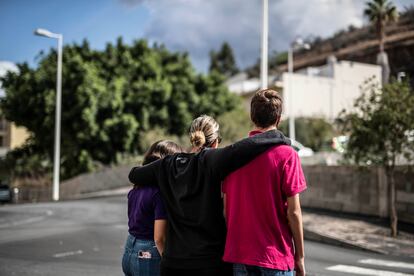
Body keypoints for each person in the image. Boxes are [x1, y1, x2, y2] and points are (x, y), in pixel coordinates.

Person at [128, 115, 291, 276]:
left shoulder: (168, 164)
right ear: (215, 142)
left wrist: (162, 172)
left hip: (173, 264)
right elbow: (243, 149)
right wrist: (277, 136)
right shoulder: (211, 159)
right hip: (209, 263)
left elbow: (134, 175)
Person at [222, 89, 307, 276]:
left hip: (239, 256)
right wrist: (299, 258)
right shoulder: (287, 155)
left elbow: (227, 210)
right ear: (278, 118)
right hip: (274, 257)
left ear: (253, 117)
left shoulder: (233, 156)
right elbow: (293, 212)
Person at [122, 140, 183, 276]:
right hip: (148, 254)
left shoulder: (136, 189)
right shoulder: (158, 194)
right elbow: (159, 238)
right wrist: (171, 265)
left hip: (129, 249)